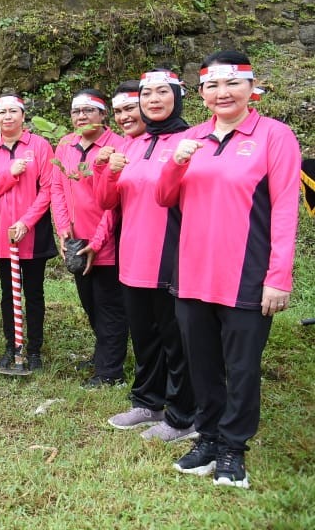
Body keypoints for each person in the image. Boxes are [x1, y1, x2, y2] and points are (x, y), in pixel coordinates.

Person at [156, 51, 300, 489]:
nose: (223, 94)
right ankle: (208, 437)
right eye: (212, 86)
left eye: (232, 84)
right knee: (203, 365)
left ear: (251, 88)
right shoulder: (192, 139)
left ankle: (233, 450)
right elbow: (164, 198)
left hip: (246, 277)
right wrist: (176, 160)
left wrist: (278, 277)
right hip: (193, 274)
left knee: (241, 369)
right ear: (201, 94)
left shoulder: (274, 136)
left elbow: (284, 211)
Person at [94, 69, 197, 443]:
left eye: (161, 92)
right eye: (146, 93)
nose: (153, 99)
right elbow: (107, 200)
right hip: (132, 255)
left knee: (178, 339)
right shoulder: (132, 145)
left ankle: (183, 415)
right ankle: (147, 401)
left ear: (178, 96)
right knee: (145, 336)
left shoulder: (193, 139)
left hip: (172, 255)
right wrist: (107, 170)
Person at [50, 90, 128, 387]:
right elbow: (57, 188)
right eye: (76, 111)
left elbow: (117, 201)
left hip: (106, 239)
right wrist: (62, 227)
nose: (81, 116)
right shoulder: (66, 144)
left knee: (110, 305)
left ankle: (110, 373)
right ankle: (105, 353)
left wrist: (98, 241)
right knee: (89, 301)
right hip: (76, 239)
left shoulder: (118, 146)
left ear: (103, 114)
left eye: (88, 110)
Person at [0, 95, 55, 371]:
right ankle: (12, 346)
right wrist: (10, 174)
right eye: (1, 112)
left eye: (13, 111)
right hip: (4, 232)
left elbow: (48, 189)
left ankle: (35, 348)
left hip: (33, 231)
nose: (8, 117)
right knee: (8, 293)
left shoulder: (39, 146)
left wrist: (27, 222)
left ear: (23, 116)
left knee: (34, 293)